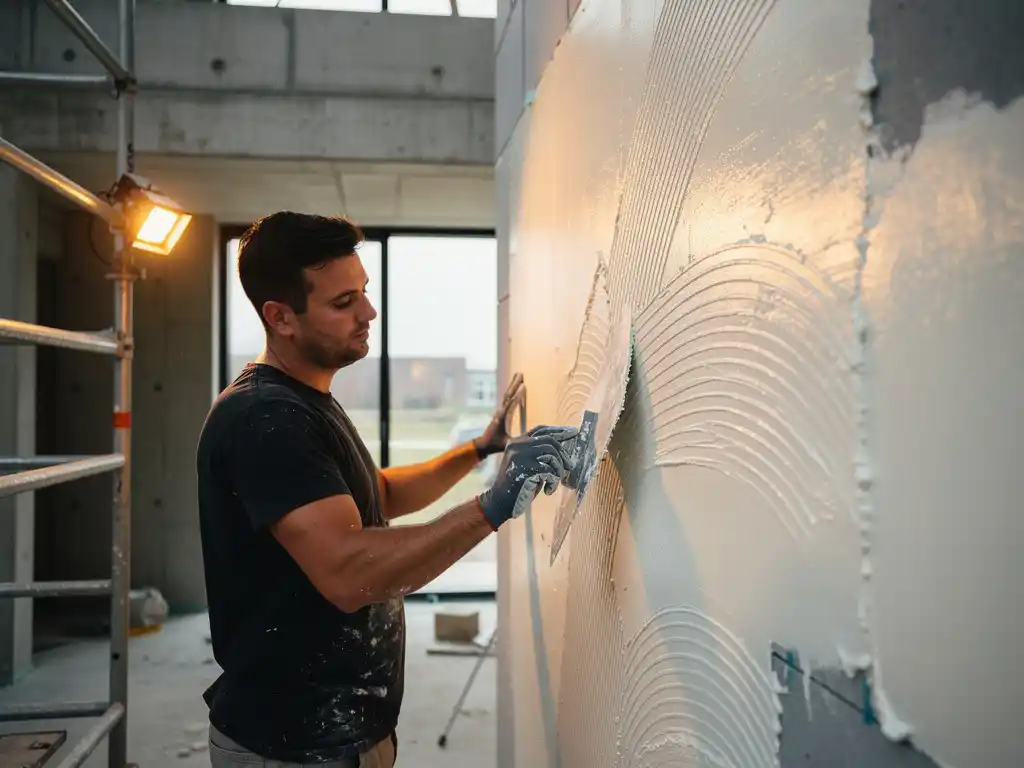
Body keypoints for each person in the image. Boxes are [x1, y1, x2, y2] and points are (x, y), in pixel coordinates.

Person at [195, 211, 576, 767]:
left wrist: (478, 450)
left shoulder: (306, 402)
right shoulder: (267, 420)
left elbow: (380, 495)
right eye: (343, 303)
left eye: (364, 292)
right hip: (294, 744)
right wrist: (492, 506)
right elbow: (351, 572)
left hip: (334, 733)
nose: (369, 312)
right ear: (280, 317)